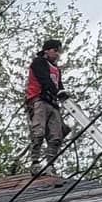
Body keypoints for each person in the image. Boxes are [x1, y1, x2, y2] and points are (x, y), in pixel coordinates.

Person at [25, 38, 70, 174]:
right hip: (39, 100)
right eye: (55, 51)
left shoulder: (56, 69)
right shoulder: (38, 63)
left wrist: (63, 94)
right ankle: (35, 162)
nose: (57, 54)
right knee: (38, 132)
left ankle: (50, 164)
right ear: (47, 50)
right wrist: (57, 92)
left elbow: (58, 85)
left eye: (59, 52)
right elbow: (44, 80)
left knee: (56, 136)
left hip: (53, 103)